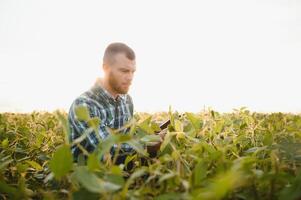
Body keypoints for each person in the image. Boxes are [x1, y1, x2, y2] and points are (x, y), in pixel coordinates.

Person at [68, 42, 162, 165]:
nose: (130, 77)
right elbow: (106, 149)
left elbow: (128, 138)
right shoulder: (84, 105)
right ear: (105, 68)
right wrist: (149, 144)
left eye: (132, 72)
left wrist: (153, 134)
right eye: (124, 71)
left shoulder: (127, 100)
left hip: (120, 175)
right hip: (89, 179)